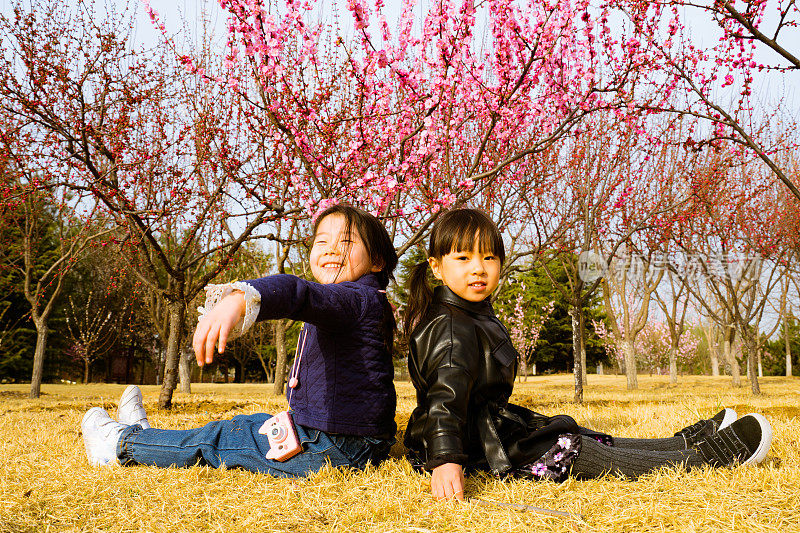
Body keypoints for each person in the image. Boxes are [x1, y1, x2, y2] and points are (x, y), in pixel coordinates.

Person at [402, 208, 773, 500]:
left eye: (489, 257)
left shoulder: (470, 312)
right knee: (575, 449)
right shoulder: (451, 326)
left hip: (486, 433)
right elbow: (444, 400)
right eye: (463, 258)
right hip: (466, 447)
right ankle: (703, 457)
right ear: (436, 266)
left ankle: (682, 444)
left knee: (575, 433)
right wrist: (446, 461)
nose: (479, 269)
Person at [80, 204, 399, 477]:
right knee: (243, 426)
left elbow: (296, 293)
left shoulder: (357, 299)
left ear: (377, 263)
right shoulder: (360, 300)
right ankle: (150, 440)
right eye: (322, 241)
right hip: (344, 438)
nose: (331, 249)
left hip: (335, 447)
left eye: (346, 241)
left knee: (216, 441)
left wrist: (241, 298)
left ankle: (121, 445)